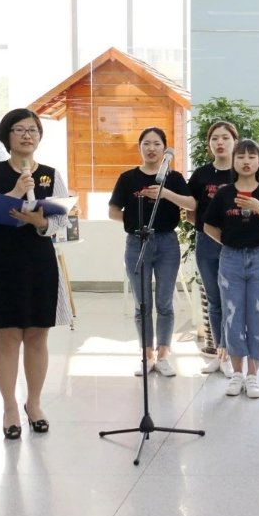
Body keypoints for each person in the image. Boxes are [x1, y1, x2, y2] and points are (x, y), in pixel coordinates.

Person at [0, 108, 73, 439]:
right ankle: (10, 408)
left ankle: (35, 404)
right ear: (7, 135)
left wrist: (40, 222)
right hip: (1, 262)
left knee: (38, 336)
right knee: (7, 337)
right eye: (20, 129)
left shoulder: (51, 175)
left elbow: (64, 223)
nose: (27, 135)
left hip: (39, 261)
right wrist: (14, 193)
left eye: (33, 130)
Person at [109, 127, 196, 377]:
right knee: (142, 303)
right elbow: (113, 211)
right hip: (137, 242)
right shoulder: (128, 178)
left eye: (157, 144)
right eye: (146, 143)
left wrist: (165, 193)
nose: (151, 148)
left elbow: (191, 204)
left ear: (164, 148)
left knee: (165, 303)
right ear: (139, 147)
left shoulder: (174, 177)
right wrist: (133, 222)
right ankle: (146, 356)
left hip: (167, 242)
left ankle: (164, 355)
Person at [203, 139, 259, 398]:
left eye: (251, 156)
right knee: (232, 315)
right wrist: (228, 243)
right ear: (234, 162)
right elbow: (208, 225)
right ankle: (237, 373)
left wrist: (257, 206)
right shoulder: (224, 193)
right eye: (241, 157)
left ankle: (253, 375)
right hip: (231, 258)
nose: (246, 161)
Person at [187, 121, 238, 378]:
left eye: (225, 138)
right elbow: (190, 211)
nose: (220, 142)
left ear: (235, 141)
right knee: (214, 300)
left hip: (234, 244)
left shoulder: (242, 172)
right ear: (209, 144)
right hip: (206, 242)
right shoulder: (201, 175)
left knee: (232, 301)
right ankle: (220, 355)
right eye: (215, 138)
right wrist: (205, 228)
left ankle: (234, 355)